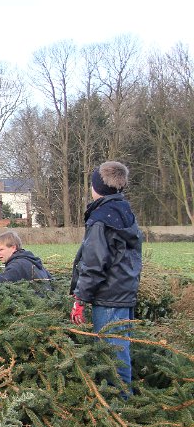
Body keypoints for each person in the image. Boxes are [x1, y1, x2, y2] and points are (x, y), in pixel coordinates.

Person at [70, 161, 142, 391]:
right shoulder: (125, 211)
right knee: (119, 350)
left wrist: (79, 300)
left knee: (112, 357)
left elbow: (94, 264)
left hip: (109, 297)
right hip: (124, 293)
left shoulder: (101, 217)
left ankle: (119, 411)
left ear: (96, 186)